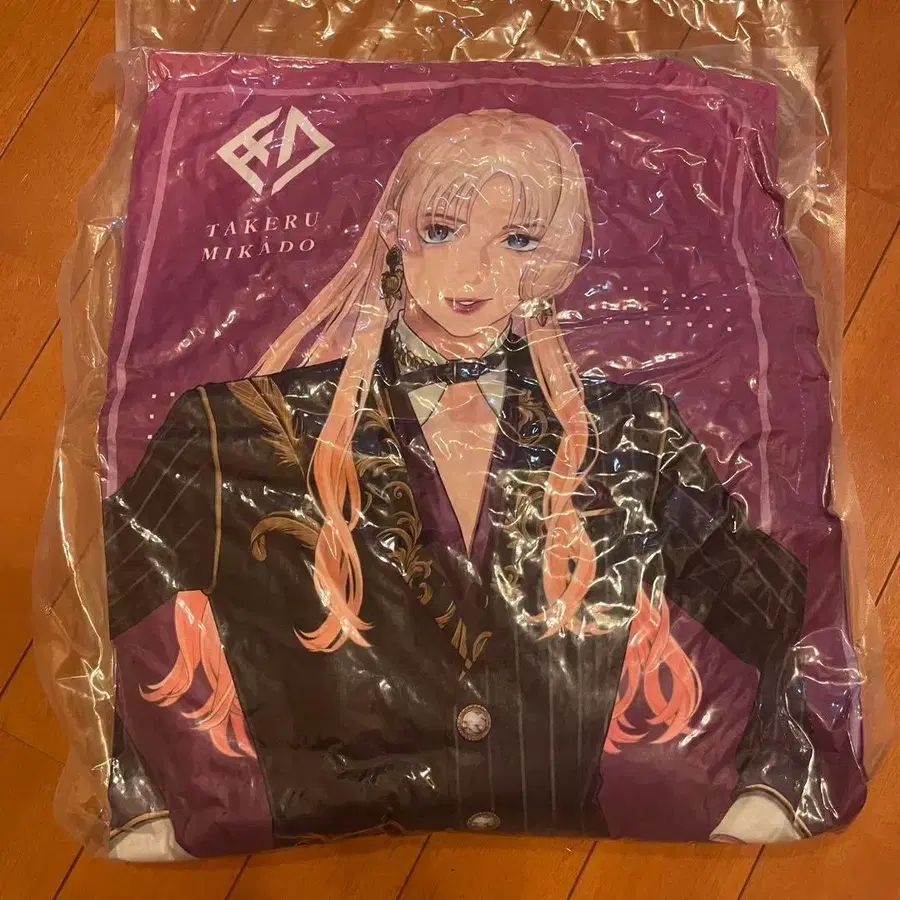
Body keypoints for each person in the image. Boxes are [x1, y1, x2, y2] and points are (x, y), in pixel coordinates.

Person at [104, 109, 811, 858]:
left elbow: (780, 610)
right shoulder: (233, 427)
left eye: (519, 239)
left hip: (566, 859)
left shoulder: (633, 431)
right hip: (318, 862)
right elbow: (101, 592)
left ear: (559, 257)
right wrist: (136, 803)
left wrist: (776, 784)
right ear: (393, 233)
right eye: (441, 230)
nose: (474, 270)